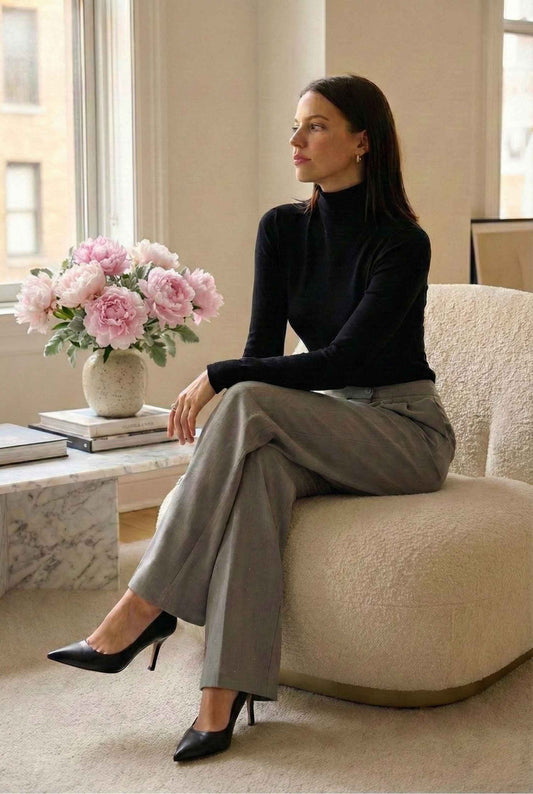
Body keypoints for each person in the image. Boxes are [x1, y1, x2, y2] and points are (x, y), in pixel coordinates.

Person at [47, 73, 456, 763]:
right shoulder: (282, 229)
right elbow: (265, 353)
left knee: (243, 395)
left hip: (404, 434)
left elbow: (338, 359)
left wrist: (218, 375)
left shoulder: (400, 243)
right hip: (329, 423)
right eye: (296, 125)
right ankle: (223, 695)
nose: (296, 140)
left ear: (362, 141)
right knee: (259, 466)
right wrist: (235, 374)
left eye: (316, 126)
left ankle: (144, 605)